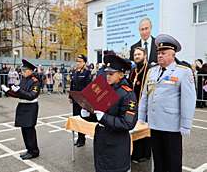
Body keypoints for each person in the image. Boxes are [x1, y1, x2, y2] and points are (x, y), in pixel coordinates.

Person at [138, 34, 196, 172]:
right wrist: (141, 115)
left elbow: (188, 99)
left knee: (173, 162)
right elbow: (145, 95)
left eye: (163, 53)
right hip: (155, 124)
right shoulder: (152, 72)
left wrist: (186, 124)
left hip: (172, 125)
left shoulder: (183, 72)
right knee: (159, 160)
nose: (160, 56)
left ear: (172, 55)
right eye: (158, 53)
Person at [81, 54, 138, 172]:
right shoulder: (106, 89)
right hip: (102, 140)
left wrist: (103, 117)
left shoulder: (127, 94)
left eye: (111, 74)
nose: (108, 77)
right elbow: (99, 114)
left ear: (121, 75)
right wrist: (88, 115)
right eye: (107, 74)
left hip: (116, 144)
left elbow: (128, 124)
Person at [1, 59, 40, 160]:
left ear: (31, 71)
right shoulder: (23, 80)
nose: (23, 72)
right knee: (24, 129)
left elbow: (32, 95)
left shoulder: (35, 81)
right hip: (22, 106)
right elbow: (18, 94)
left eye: (25, 70)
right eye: (22, 70)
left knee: (29, 130)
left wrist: (19, 91)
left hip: (30, 107)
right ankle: (29, 149)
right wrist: (8, 91)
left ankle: (34, 151)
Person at [129, 47, 151, 163]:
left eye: (139, 54)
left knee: (144, 129)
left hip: (145, 106)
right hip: (134, 105)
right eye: (135, 55)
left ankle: (144, 154)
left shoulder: (149, 69)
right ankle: (135, 153)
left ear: (145, 56)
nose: (137, 57)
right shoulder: (134, 69)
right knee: (135, 129)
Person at [68, 54, 91, 147]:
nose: (78, 63)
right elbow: (72, 85)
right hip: (75, 98)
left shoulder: (86, 72)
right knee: (76, 118)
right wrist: (70, 96)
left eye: (80, 61)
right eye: (77, 61)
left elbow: (88, 86)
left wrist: (86, 99)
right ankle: (79, 138)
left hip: (82, 99)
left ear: (84, 63)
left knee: (82, 118)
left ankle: (82, 138)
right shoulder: (74, 72)